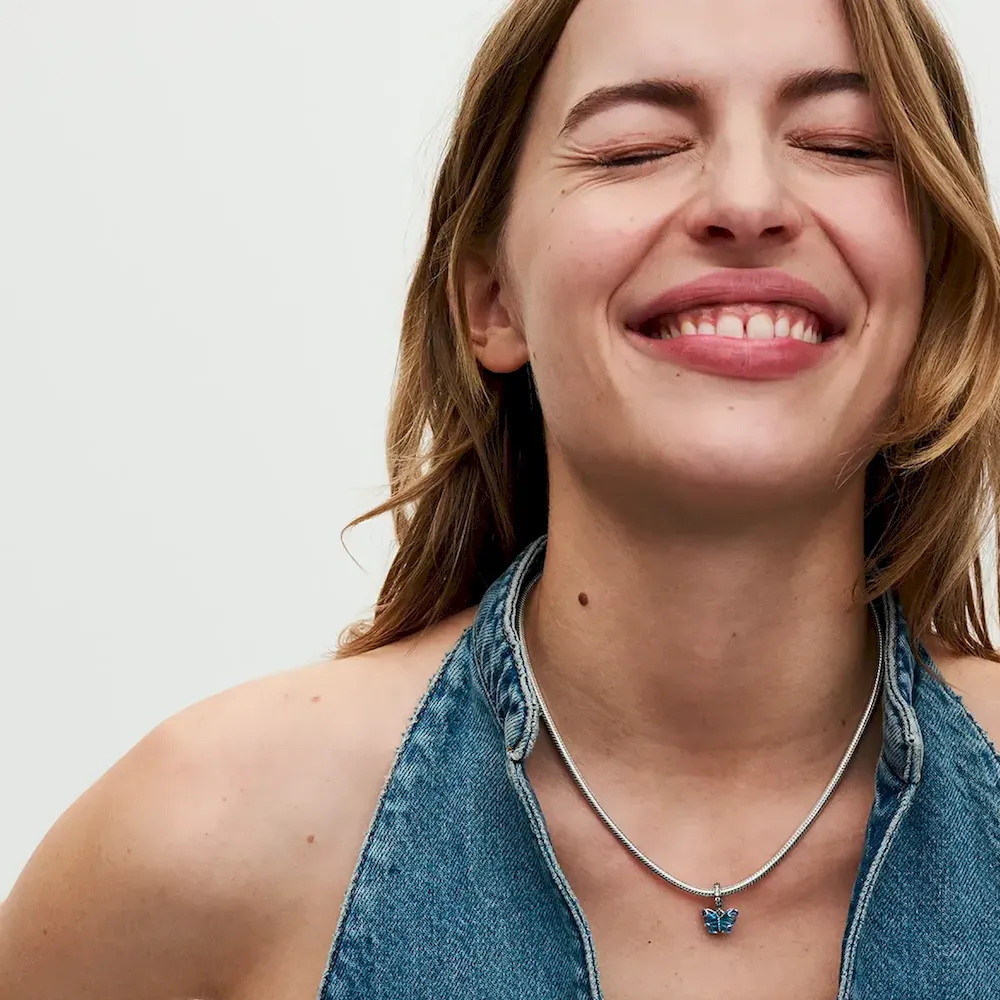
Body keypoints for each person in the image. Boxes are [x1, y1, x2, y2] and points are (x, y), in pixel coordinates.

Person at [3, 0, 1000, 996]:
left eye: (842, 144)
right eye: (635, 149)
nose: (746, 201)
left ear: (936, 284)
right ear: (492, 300)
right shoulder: (203, 837)